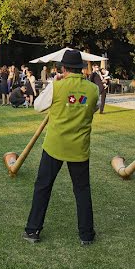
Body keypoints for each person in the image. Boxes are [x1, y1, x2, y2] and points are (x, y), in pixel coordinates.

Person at [23, 49, 100, 245]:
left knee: (43, 187)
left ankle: (33, 230)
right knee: (82, 190)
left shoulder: (57, 86)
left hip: (55, 145)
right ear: (81, 69)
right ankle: (86, 234)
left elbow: (38, 106)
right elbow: (95, 107)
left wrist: (52, 86)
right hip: (79, 147)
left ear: (63, 68)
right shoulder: (93, 89)